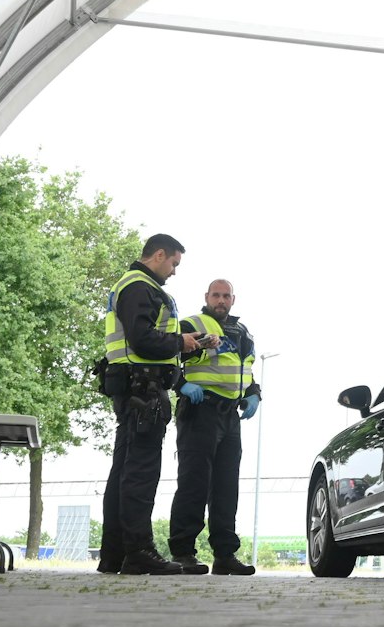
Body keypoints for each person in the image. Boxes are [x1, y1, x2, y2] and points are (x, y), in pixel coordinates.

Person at [96, 234, 212, 576]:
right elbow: (142, 338)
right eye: (174, 263)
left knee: (124, 472)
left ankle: (114, 555)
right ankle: (139, 553)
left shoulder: (136, 285)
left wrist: (189, 345)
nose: (174, 271)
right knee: (140, 473)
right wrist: (180, 341)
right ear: (159, 255)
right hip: (141, 389)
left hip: (135, 387)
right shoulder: (140, 286)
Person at [168, 279, 261, 575]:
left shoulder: (242, 332)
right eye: (216, 295)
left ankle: (225, 555)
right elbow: (166, 357)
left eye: (226, 296)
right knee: (194, 483)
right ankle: (183, 552)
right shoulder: (190, 323)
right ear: (206, 297)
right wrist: (182, 385)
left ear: (233, 299)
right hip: (200, 409)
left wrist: (254, 392)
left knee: (226, 487)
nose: (221, 300)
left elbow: (245, 368)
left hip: (230, 415)